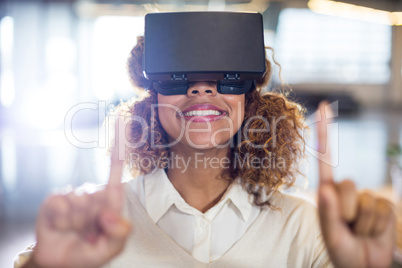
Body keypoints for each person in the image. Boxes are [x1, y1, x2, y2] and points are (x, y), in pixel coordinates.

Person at [16, 25, 395, 268]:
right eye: (180, 79)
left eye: (224, 79)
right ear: (153, 100)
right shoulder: (94, 226)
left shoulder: (308, 231)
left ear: (250, 100)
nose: (201, 89)